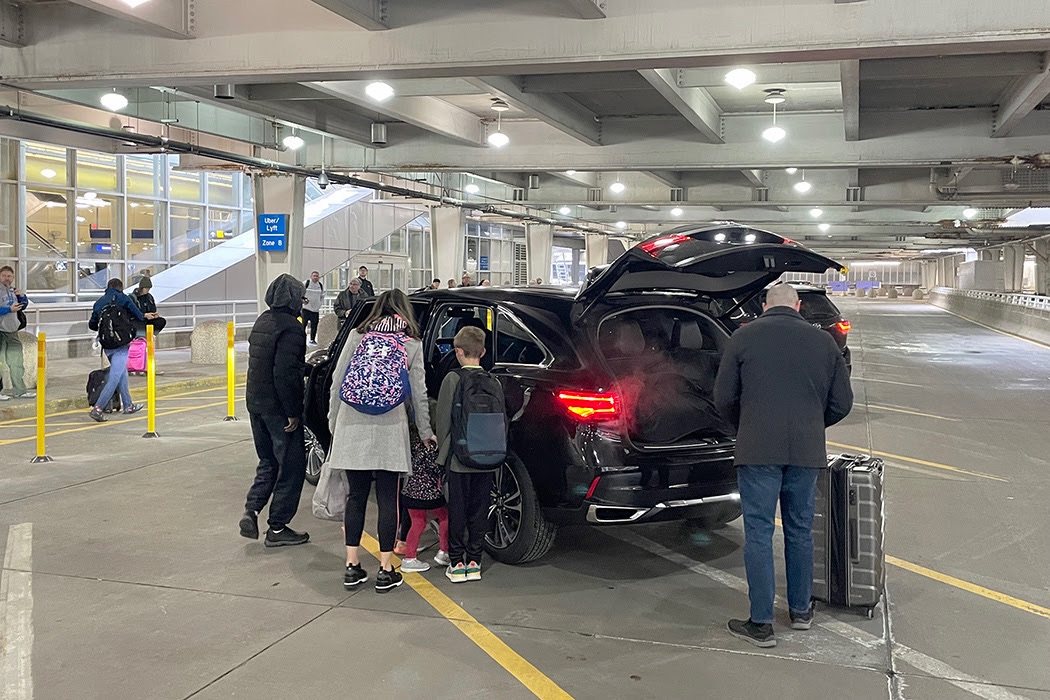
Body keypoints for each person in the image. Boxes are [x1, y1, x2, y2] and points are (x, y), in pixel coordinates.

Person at [714, 283, 853, 648]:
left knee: (759, 533)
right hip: (806, 452)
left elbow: (723, 397)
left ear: (763, 305)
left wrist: (744, 427)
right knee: (800, 530)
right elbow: (842, 402)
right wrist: (810, 424)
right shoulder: (824, 342)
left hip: (757, 450)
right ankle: (801, 612)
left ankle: (760, 624)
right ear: (798, 305)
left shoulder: (742, 339)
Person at [327, 290, 434, 593]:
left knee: (356, 497)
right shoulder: (411, 344)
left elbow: (337, 380)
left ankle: (351, 566)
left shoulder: (357, 337)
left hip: (352, 425)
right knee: (389, 498)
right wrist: (425, 432)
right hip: (390, 426)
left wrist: (334, 422)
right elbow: (419, 393)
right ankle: (386, 569)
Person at [239, 274, 311, 548]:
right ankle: (278, 527)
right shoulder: (291, 327)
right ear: (294, 299)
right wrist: (293, 411)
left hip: (255, 404)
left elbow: (267, 364)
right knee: (292, 466)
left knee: (268, 461)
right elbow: (285, 373)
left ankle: (252, 509)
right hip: (279, 409)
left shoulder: (263, 321)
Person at [435, 326, 501, 583]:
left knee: (457, 510)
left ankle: (456, 562)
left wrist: (442, 455)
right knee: (479, 509)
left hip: (458, 459)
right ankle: (475, 562)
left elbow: (443, 421)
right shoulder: (492, 380)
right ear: (483, 352)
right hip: (487, 457)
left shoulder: (453, 379)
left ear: (457, 351)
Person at [87, 278, 145, 421]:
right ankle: (98, 408)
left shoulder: (99, 302)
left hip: (107, 344)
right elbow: (138, 315)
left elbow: (93, 325)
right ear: (120, 287)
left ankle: (128, 405)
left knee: (121, 373)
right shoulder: (123, 298)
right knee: (114, 377)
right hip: (121, 343)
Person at [399, 433, 451, 573]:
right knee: (445, 517)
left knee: (417, 523)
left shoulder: (409, 442)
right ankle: (444, 551)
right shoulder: (431, 444)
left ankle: (409, 557)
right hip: (430, 493)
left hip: (410, 491)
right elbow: (436, 467)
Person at [0, 265, 33, 401]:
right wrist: (8, 309)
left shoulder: (13, 291)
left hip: (13, 331)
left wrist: (22, 297)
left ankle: (19, 391)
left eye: (9, 276)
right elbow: (9, 309)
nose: (7, 279)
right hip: (0, 332)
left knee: (17, 362)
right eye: (4, 276)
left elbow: (23, 306)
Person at [302, 270, 324, 346]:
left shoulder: (320, 285)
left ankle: (312, 339)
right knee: (303, 325)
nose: (315, 277)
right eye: (314, 276)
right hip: (306, 309)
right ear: (311, 276)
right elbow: (301, 293)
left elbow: (322, 295)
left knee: (314, 326)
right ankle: (301, 339)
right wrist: (303, 300)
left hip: (315, 310)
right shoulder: (306, 283)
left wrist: (320, 304)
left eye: (317, 276)